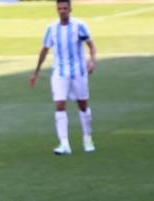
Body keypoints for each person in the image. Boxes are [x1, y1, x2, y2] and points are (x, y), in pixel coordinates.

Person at [29, 0, 97, 155]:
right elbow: (44, 50)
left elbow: (91, 45)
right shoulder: (51, 28)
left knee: (83, 105)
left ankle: (87, 138)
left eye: (65, 8)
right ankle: (64, 143)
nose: (62, 11)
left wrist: (92, 61)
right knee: (59, 105)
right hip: (59, 73)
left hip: (79, 72)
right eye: (59, 8)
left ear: (70, 9)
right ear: (56, 9)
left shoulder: (79, 26)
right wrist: (36, 72)